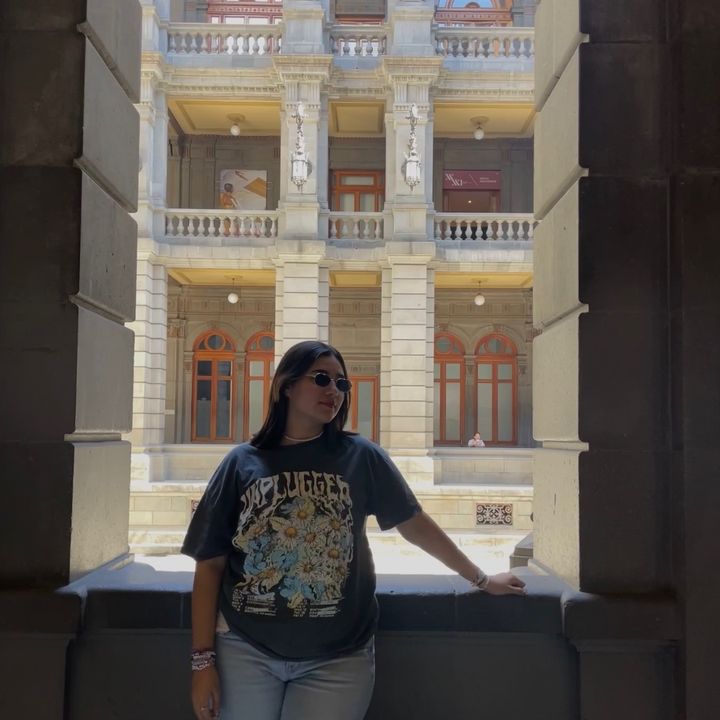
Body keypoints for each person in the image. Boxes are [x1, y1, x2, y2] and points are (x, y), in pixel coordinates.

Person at [183, 340, 526, 720]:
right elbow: (209, 563)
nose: (334, 390)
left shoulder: (361, 456)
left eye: (341, 383)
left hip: (338, 659)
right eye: (321, 379)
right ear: (286, 385)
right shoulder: (241, 463)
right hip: (245, 650)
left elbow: (415, 525)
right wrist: (202, 662)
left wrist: (481, 579)